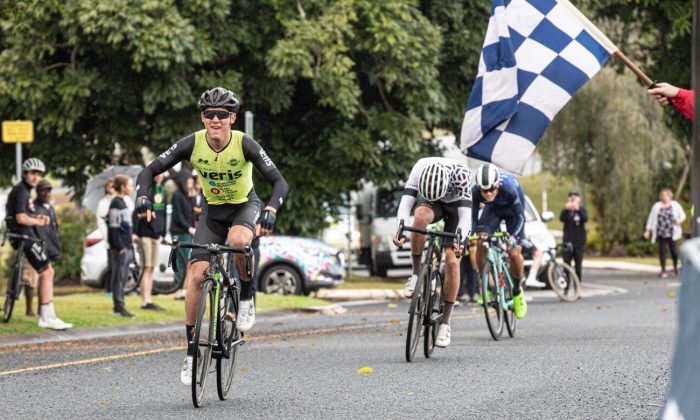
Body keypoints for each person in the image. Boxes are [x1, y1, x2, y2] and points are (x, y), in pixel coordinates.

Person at [135, 87, 289, 386]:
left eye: (222, 114)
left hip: (245, 206)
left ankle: (246, 296)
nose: (215, 119)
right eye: (209, 114)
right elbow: (148, 171)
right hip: (212, 212)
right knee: (195, 275)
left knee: (238, 242)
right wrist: (142, 197)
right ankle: (192, 351)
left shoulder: (245, 144)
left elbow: (279, 182)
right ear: (202, 117)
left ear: (232, 118)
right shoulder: (192, 143)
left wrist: (271, 209)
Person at [392, 157, 472, 348]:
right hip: (430, 201)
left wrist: (461, 242)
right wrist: (401, 230)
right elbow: (405, 205)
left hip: (456, 207)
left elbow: (465, 217)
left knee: (452, 261)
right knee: (419, 217)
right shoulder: (419, 168)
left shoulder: (462, 175)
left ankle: (445, 322)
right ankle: (415, 274)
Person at [5, 158, 72, 330]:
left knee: (48, 271)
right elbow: (20, 218)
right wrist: (38, 222)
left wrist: (36, 217)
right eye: (33, 173)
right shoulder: (21, 191)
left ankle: (48, 314)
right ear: (25, 174)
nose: (36, 177)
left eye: (39, 174)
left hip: (26, 235)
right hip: (24, 236)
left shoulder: (24, 191)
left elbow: (24, 214)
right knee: (46, 271)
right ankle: (46, 317)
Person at [469, 163, 528, 319]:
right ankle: (485, 285)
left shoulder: (509, 188)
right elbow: (473, 219)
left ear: (497, 185)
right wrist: (470, 234)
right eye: (484, 191)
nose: (488, 194)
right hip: (494, 209)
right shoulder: (475, 192)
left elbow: (521, 217)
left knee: (514, 253)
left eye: (491, 189)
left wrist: (514, 237)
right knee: (480, 240)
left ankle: (517, 292)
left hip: (513, 212)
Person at [132, 172, 166, 311]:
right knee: (146, 267)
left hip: (156, 234)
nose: (159, 175)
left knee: (151, 268)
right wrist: (134, 232)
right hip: (145, 233)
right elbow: (136, 212)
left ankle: (149, 299)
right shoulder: (146, 190)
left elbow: (163, 213)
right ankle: (145, 301)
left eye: (161, 173)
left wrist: (163, 234)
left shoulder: (162, 190)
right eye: (157, 173)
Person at [108, 175, 137, 318]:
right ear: (123, 187)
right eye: (130, 185)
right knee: (118, 278)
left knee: (124, 277)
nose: (131, 188)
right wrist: (120, 247)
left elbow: (124, 226)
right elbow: (113, 228)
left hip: (127, 246)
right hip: (121, 248)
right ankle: (118, 307)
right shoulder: (116, 203)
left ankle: (121, 305)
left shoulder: (124, 202)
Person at [644, 188, 686, 278]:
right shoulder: (656, 206)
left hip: (672, 232)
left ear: (669, 196)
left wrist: (679, 221)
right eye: (662, 195)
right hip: (661, 232)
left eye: (666, 195)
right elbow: (651, 218)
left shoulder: (675, 205)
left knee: (674, 252)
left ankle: (675, 266)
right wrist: (648, 230)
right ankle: (663, 269)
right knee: (662, 252)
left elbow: (683, 215)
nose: (664, 197)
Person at [170, 169, 196, 300]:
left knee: (187, 261)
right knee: (181, 261)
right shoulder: (177, 195)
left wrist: (192, 196)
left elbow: (192, 214)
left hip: (187, 232)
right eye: (189, 181)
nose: (191, 183)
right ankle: (178, 288)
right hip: (179, 232)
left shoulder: (189, 196)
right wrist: (189, 228)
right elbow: (178, 216)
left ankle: (184, 289)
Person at [560, 191, 588, 282]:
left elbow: (585, 218)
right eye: (571, 196)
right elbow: (561, 218)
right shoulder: (566, 211)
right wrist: (566, 209)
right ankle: (566, 285)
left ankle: (577, 284)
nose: (573, 198)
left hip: (578, 243)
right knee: (566, 266)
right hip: (567, 242)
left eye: (575, 196)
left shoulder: (581, 210)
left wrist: (577, 209)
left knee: (578, 266)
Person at [96, 178, 115, 297]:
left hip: (121, 238)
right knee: (111, 266)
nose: (112, 188)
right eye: (110, 186)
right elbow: (101, 221)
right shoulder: (103, 203)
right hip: (110, 238)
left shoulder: (120, 200)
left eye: (113, 186)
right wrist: (106, 236)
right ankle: (109, 290)